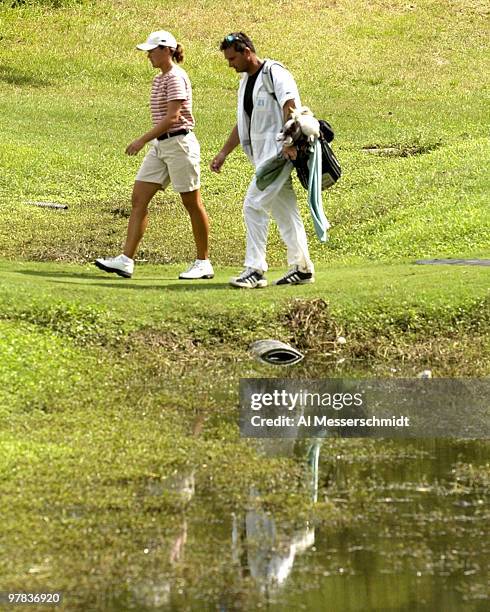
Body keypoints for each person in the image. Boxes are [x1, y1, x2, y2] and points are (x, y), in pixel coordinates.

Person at [95, 30, 213, 280]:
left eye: (152, 50)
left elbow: (172, 117)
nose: (148, 54)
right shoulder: (160, 79)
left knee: (191, 203)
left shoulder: (176, 77)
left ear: (167, 50)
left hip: (180, 144)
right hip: (161, 146)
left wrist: (141, 140)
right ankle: (126, 260)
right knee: (138, 198)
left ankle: (203, 262)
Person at [210, 32, 314, 288]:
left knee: (252, 205)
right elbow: (243, 122)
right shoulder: (246, 81)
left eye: (232, 58)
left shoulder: (274, 73)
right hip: (262, 156)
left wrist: (289, 143)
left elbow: (290, 106)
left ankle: (255, 269)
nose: (230, 64)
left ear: (247, 52)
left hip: (278, 155)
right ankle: (302, 268)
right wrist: (224, 152)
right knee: (285, 211)